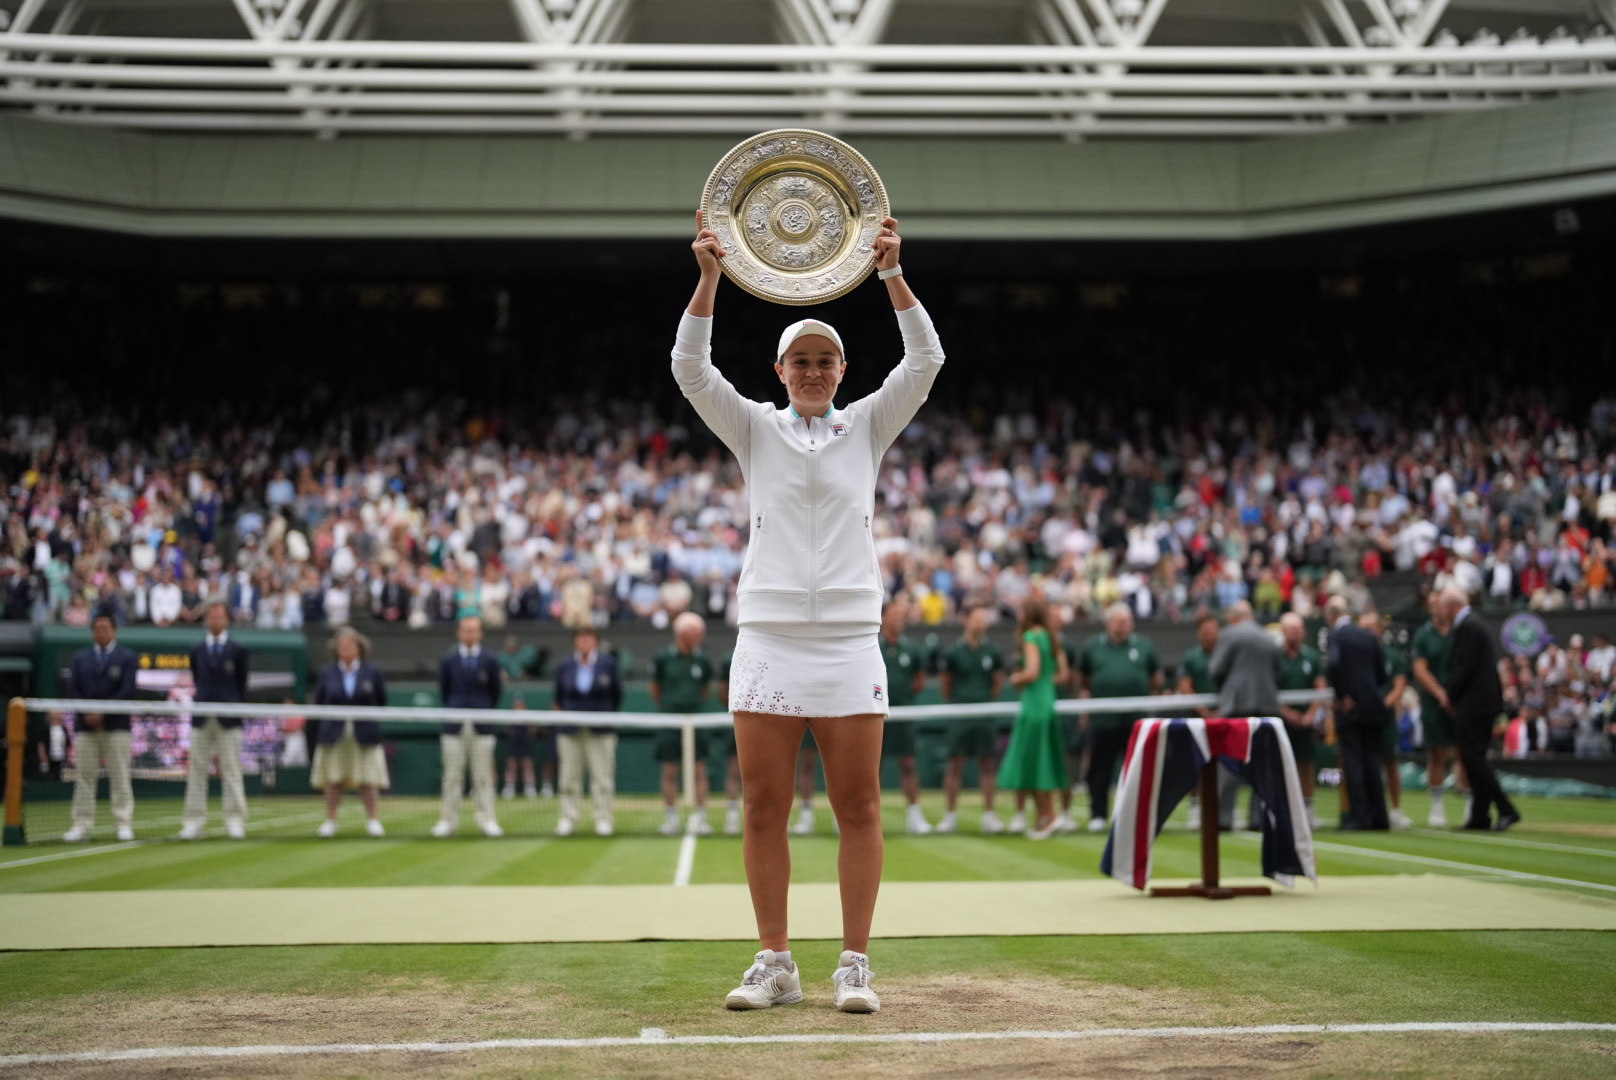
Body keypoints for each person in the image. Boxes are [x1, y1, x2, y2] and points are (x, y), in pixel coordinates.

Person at [678, 209, 940, 1013]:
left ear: (843, 368)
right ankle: (776, 960)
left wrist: (893, 273)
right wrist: (711, 276)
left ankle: (854, 963)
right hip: (768, 635)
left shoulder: (870, 423)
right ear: (781, 369)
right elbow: (691, 369)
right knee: (764, 805)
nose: (815, 371)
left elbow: (926, 357)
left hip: (851, 639)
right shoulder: (753, 427)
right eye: (802, 360)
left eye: (826, 360)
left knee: (858, 804)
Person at [1438, 587, 1520, 831]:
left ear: (1452, 607)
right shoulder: (1474, 624)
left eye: (1443, 607)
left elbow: (1463, 668)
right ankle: (1480, 815)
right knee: (1474, 758)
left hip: (1475, 704)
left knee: (1473, 758)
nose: (1442, 613)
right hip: (1481, 703)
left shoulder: (1468, 627)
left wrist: (1449, 695)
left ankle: (1506, 809)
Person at [1078, 603, 1162, 833]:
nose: (1125, 625)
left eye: (1128, 621)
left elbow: (1156, 678)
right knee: (1099, 771)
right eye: (1120, 621)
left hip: (1135, 723)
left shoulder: (1144, 646)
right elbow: (1083, 679)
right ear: (1109, 623)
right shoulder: (1093, 646)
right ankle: (1098, 814)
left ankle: (1134, 815)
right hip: (1103, 721)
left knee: (1136, 771)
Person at [996, 594, 1069, 839]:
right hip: (1047, 702)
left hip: (1034, 706)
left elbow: (1032, 672)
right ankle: (1043, 817)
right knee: (1041, 760)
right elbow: (1061, 674)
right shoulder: (1049, 636)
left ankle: (1051, 817)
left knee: (1037, 762)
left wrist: (1016, 678)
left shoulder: (1030, 637)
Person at [61, 611, 138, 842]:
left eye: (105, 627)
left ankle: (123, 823)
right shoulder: (80, 658)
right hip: (86, 727)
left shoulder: (127, 657)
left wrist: (103, 712)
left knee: (121, 776)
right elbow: (74, 689)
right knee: (84, 777)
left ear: (114, 630)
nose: (101, 631)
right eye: (97, 628)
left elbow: (127, 690)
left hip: (116, 726)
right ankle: (81, 824)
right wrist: (89, 713)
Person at [1209, 600, 1282, 831]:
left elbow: (1216, 669)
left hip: (1237, 706)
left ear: (1234, 617)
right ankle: (1258, 819)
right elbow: (1278, 670)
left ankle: (1223, 818)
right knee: (1261, 766)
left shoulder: (1230, 634)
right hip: (1267, 708)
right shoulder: (1268, 636)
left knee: (1230, 763)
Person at [180, 601, 250, 840]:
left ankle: (235, 820)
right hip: (201, 718)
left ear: (227, 619)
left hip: (229, 719)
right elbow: (198, 680)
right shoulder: (196, 649)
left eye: (219, 616)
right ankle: (193, 822)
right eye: (211, 616)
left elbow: (241, 684)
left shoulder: (238, 650)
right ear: (206, 620)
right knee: (197, 770)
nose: (215, 620)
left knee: (231, 770)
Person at [312, 627, 388, 838]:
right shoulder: (327, 673)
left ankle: (373, 820)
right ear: (336, 649)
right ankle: (330, 821)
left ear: (359, 648)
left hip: (364, 733)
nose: (346, 649)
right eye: (342, 646)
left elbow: (381, 701)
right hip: (334, 734)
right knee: (333, 780)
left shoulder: (372, 672)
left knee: (368, 780)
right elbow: (319, 703)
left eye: (350, 645)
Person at [432, 615, 504, 838]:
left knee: (483, 776)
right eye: (466, 630)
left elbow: (495, 692)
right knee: (452, 777)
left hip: (482, 726)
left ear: (480, 633)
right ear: (458, 633)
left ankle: (487, 820)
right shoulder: (448, 660)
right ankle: (448, 821)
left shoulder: (491, 659)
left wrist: (481, 711)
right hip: (454, 726)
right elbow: (444, 691)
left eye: (474, 630)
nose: (470, 634)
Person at [937, 604, 1007, 834]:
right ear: (966, 621)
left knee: (987, 764)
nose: (981, 623)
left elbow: (997, 683)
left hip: (985, 715)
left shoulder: (993, 652)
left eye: (984, 619)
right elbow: (946, 685)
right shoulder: (954, 652)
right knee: (955, 765)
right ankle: (950, 816)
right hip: (959, 715)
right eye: (977, 619)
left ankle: (989, 815)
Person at [1325, 596, 1390, 830]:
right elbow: (1382, 674)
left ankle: (1360, 815)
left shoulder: (1336, 636)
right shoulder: (1368, 636)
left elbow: (1332, 666)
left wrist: (1344, 696)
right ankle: (1380, 816)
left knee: (1353, 761)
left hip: (1351, 708)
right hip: (1373, 705)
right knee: (1372, 760)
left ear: (1331, 615)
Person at [552, 625, 623, 837]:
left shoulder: (608, 665)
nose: (584, 643)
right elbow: (558, 697)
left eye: (589, 639)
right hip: (570, 731)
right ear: (575, 642)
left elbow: (617, 696)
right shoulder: (564, 666)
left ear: (596, 642)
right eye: (581, 639)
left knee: (602, 778)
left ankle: (603, 819)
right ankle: (568, 818)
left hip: (600, 731)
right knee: (568, 778)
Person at [652, 612, 717, 836]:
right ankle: (671, 817)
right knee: (670, 770)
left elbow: (706, 690)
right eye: (696, 633)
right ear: (682, 634)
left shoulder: (703, 658)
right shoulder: (663, 657)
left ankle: (701, 817)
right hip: (670, 722)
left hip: (696, 722)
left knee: (700, 769)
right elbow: (655, 690)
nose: (700, 637)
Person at [879, 596, 933, 835]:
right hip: (877, 715)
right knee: (871, 768)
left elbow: (919, 681)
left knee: (909, 764)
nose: (899, 620)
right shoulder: (874, 647)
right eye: (895, 615)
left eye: (902, 616)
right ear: (883, 618)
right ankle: (868, 818)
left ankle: (914, 815)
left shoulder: (912, 649)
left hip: (904, 714)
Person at [1410, 595, 1466, 828]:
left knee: (1465, 752)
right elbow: (1420, 670)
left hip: (1460, 700)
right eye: (1432, 604)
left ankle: (1471, 805)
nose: (1436, 608)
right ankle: (1437, 807)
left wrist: (1456, 693)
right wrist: (1441, 694)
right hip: (1435, 703)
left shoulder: (1460, 631)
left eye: (1440, 603)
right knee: (1436, 754)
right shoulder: (1423, 635)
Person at [1361, 612, 1413, 830]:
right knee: (1366, 764)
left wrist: (1384, 704)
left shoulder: (1393, 655)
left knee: (1390, 762)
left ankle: (1397, 810)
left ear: (1381, 630)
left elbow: (1399, 685)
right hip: (1364, 718)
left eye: (1370, 627)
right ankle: (1370, 808)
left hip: (1385, 718)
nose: (1367, 632)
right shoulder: (1359, 656)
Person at [1276, 612, 1327, 829]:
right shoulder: (1275, 658)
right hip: (1281, 721)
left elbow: (1320, 687)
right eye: (1293, 630)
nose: (1298, 634)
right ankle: (1284, 810)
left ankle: (1308, 809)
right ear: (1284, 632)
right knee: (1283, 765)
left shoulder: (1312, 657)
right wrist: (1286, 712)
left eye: (1300, 630)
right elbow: (1269, 689)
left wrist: (1311, 714)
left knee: (1306, 764)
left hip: (1306, 722)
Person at [716, 648, 743, 835]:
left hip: (769, 718)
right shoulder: (730, 658)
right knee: (734, 770)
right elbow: (722, 691)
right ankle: (733, 815)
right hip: (740, 719)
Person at [501, 696, 542, 800]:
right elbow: (507, 730)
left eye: (520, 704)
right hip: (514, 745)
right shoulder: (511, 717)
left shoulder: (528, 717)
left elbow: (534, 730)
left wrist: (531, 730)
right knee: (511, 766)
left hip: (525, 745)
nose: (518, 707)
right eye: (516, 705)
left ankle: (530, 788)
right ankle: (509, 788)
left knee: (527, 765)